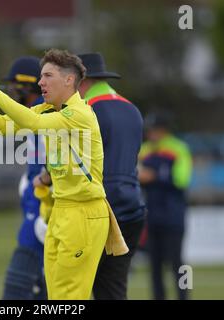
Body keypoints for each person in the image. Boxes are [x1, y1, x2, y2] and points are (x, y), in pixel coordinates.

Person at [0, 49, 129, 300]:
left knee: (69, 298)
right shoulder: (48, 109)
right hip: (60, 210)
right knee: (56, 297)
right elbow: (1, 127)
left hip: (85, 214)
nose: (40, 82)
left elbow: (32, 124)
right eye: (41, 76)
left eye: (47, 76)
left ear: (69, 80)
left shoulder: (78, 114)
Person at [76, 52, 147, 300]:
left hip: (98, 211)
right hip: (132, 209)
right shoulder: (133, 109)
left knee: (72, 289)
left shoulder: (85, 110)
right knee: (113, 290)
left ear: (81, 81)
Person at [0, 56, 47, 300]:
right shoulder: (31, 114)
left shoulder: (43, 114)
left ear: (28, 86)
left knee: (16, 291)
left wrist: (43, 212)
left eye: (13, 86)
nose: (9, 92)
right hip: (38, 211)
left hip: (43, 215)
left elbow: (53, 168)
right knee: (44, 292)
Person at [138, 111, 192, 300]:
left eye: (155, 130)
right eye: (149, 131)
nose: (151, 134)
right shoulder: (143, 150)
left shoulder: (179, 148)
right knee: (154, 265)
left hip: (173, 215)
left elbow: (182, 179)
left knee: (179, 263)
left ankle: (185, 296)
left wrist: (154, 177)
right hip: (151, 217)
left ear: (165, 130)